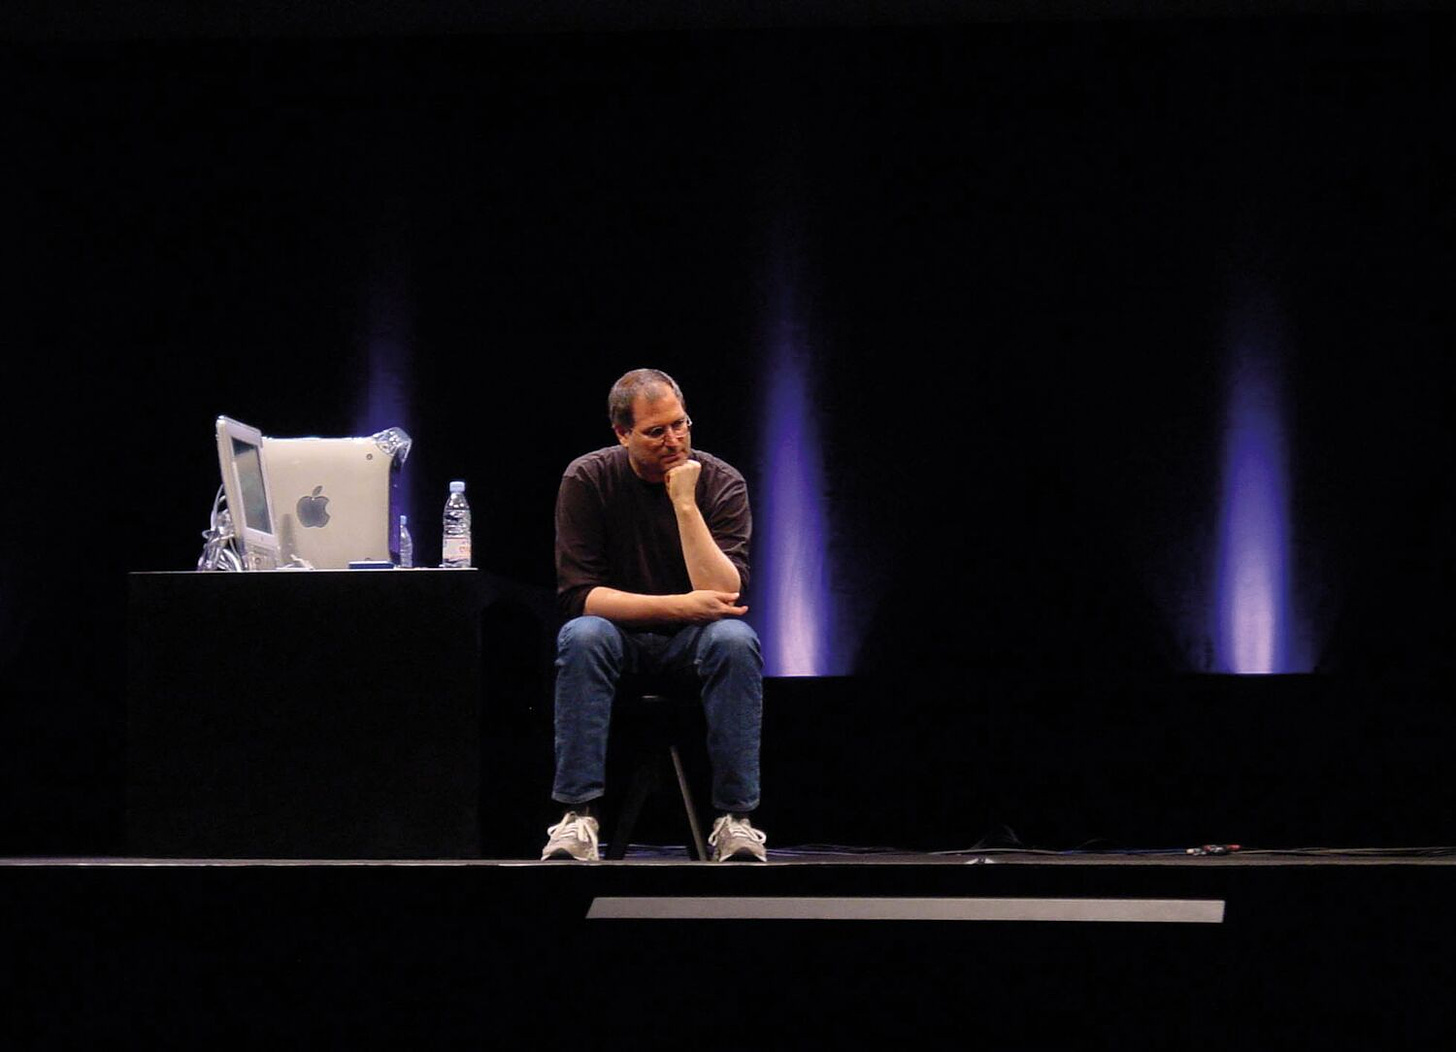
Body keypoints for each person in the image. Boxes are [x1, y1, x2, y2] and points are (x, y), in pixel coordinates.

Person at [541, 368, 767, 863]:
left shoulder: (720, 481)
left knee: (734, 640)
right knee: (582, 635)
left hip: (694, 643)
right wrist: (681, 605)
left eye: (681, 424)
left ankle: (735, 821)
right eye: (656, 431)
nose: (675, 440)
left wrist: (685, 504)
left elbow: (726, 591)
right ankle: (577, 817)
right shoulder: (588, 478)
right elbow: (580, 595)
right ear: (622, 434)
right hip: (617, 639)